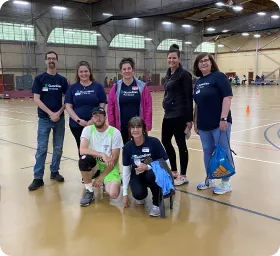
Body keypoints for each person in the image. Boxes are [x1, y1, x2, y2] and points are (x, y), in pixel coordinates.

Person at [193, 52, 233, 195]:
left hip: (219, 124)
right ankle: (210, 179)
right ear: (197, 66)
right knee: (207, 152)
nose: (203, 63)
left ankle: (226, 182)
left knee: (223, 151)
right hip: (204, 125)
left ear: (211, 62)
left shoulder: (219, 77)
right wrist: (195, 122)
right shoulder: (198, 82)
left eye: (206, 60)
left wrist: (223, 118)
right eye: (200, 62)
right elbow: (197, 105)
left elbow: (227, 97)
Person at [28, 51, 69, 191]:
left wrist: (58, 112)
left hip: (59, 119)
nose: (51, 60)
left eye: (54, 58)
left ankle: (54, 171)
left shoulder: (62, 80)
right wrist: (50, 113)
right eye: (49, 58)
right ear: (46, 61)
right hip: (44, 119)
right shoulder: (40, 79)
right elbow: (36, 99)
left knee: (58, 148)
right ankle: (38, 177)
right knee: (42, 148)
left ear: (57, 61)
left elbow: (67, 100)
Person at [122, 117, 172, 217]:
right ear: (129, 130)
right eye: (133, 127)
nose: (135, 130)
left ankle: (156, 203)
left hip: (153, 172)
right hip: (137, 173)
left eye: (138, 126)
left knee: (151, 175)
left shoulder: (154, 142)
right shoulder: (127, 147)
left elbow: (166, 162)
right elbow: (126, 170)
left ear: (144, 129)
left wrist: (148, 167)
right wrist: (125, 194)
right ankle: (142, 192)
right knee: (139, 196)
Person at [161, 44, 193, 186]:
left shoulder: (184, 74)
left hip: (179, 115)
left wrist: (189, 119)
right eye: (169, 58)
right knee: (165, 141)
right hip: (168, 114)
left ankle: (183, 175)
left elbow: (188, 96)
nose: (171, 60)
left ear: (179, 59)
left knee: (181, 145)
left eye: (174, 58)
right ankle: (174, 171)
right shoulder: (168, 74)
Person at [78, 107, 123, 206]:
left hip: (109, 166)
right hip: (95, 166)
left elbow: (114, 159)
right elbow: (82, 150)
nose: (98, 118)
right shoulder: (87, 130)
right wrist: (102, 154)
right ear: (92, 118)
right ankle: (89, 191)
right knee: (84, 159)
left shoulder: (115, 132)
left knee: (114, 194)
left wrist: (101, 177)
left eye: (100, 116)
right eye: (95, 116)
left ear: (105, 117)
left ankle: (108, 181)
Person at [65, 61, 107, 158]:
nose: (83, 74)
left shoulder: (98, 87)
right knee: (82, 149)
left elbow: (102, 104)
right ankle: (85, 170)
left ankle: (97, 171)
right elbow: (68, 107)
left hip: (96, 124)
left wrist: (94, 119)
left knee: (96, 148)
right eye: (81, 72)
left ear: (90, 72)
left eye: (86, 71)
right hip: (76, 125)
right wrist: (78, 120)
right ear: (78, 73)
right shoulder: (72, 88)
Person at [108, 57, 152, 144]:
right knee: (126, 152)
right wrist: (112, 126)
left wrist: (147, 124)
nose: (127, 71)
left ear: (133, 70)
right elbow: (110, 108)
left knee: (140, 152)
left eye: (129, 68)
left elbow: (148, 107)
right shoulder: (116, 88)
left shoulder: (142, 86)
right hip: (122, 127)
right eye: (124, 69)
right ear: (121, 71)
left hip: (138, 127)